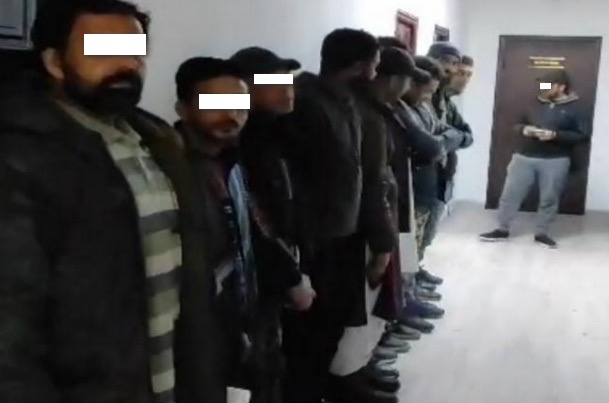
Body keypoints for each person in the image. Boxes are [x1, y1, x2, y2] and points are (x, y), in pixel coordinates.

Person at [0, 1, 210, 402]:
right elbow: (11, 329)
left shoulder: (157, 141)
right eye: (103, 50)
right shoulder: (21, 155)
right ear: (54, 62)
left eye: (135, 52)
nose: (126, 65)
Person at [281, 28, 381, 403]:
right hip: (312, 242)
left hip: (343, 236)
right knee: (304, 338)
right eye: (374, 65)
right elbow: (240, 88)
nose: (376, 73)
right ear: (359, 66)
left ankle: (323, 388)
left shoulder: (346, 101)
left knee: (330, 329)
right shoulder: (301, 96)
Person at [325, 46, 428, 403]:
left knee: (364, 311)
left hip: (361, 222)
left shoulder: (366, 109)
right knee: (348, 315)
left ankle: (355, 371)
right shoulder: (350, 110)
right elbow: (371, 181)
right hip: (349, 228)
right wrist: (384, 243)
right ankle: (342, 380)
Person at [230, 47, 316, 403]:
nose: (288, 91)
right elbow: (254, 221)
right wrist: (290, 275)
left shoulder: (276, 134)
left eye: (289, 82)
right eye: (275, 83)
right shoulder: (238, 144)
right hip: (254, 278)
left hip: (278, 267)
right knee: (258, 369)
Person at [479, 69, 588, 248]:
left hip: (556, 160)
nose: (543, 88)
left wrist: (555, 135)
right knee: (510, 194)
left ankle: (542, 233)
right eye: (542, 84)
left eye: (548, 85)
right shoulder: (531, 103)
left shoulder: (576, 108)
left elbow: (582, 135)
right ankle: (502, 229)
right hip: (523, 157)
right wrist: (524, 129)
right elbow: (515, 124)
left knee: (549, 198)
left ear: (561, 87)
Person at [422, 43, 473, 275]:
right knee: (414, 235)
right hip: (422, 178)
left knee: (427, 233)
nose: (454, 72)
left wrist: (450, 138)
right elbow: (432, 142)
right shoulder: (421, 99)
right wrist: (450, 138)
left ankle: (416, 272)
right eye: (451, 65)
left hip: (441, 176)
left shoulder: (445, 101)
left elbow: (466, 135)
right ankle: (409, 281)